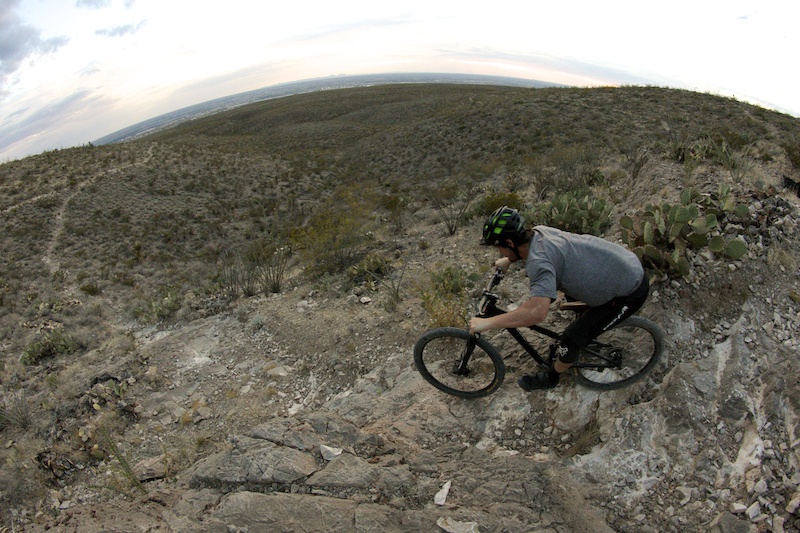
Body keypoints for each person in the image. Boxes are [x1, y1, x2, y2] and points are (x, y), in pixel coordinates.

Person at [469, 206, 650, 391]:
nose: (500, 252)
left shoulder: (539, 264)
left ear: (509, 242)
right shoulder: (540, 232)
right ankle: (586, 330)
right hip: (623, 265)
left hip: (630, 291)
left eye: (500, 248)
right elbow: (542, 254)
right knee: (575, 311)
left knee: (571, 338)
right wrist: (509, 260)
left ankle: (552, 377)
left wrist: (489, 323)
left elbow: (536, 313)